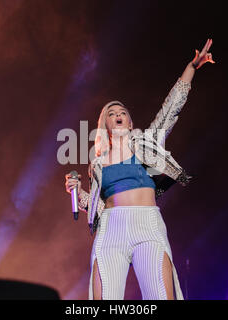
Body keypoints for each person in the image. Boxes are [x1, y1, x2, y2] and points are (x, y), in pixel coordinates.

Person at [65, 39, 215, 300]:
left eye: (122, 111)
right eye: (112, 113)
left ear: (130, 120)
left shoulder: (146, 143)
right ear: (106, 124)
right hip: (111, 229)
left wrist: (192, 67)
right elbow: (99, 207)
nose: (118, 114)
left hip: (147, 223)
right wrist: (78, 192)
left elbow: (171, 108)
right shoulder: (98, 164)